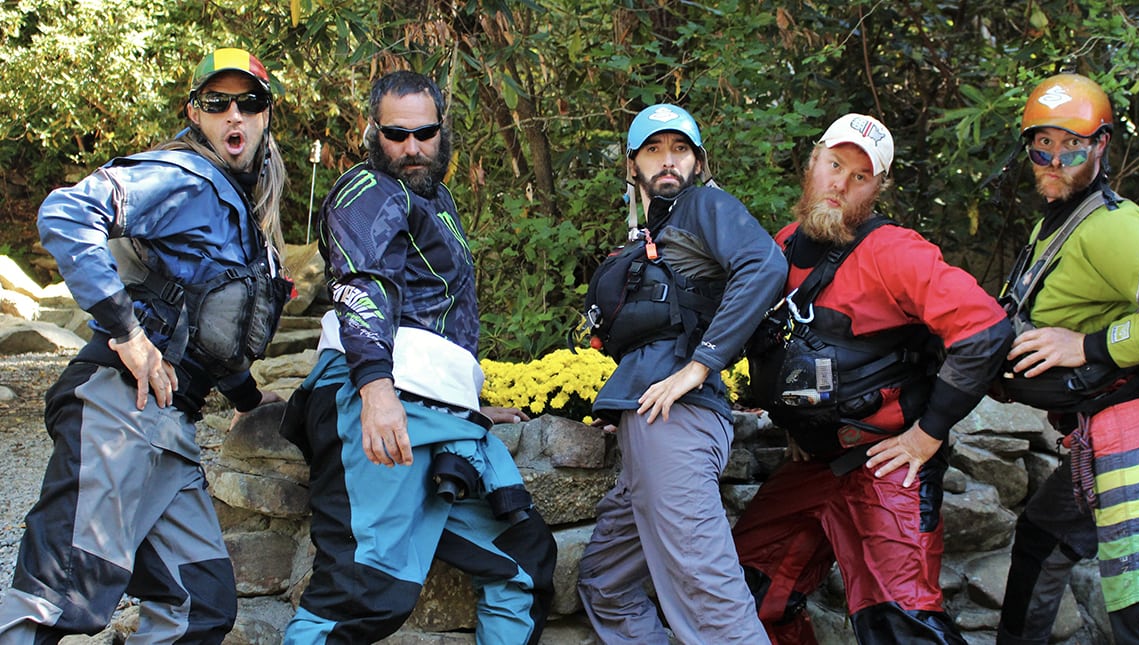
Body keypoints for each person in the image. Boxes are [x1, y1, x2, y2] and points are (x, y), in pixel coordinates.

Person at [0, 48, 290, 642]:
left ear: (266, 116)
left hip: (171, 434)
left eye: (249, 102)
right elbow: (67, 213)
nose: (234, 115)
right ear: (195, 112)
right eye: (217, 103)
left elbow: (214, 329)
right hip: (118, 411)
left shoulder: (245, 217)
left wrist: (247, 399)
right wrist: (126, 333)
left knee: (201, 605)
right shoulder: (182, 175)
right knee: (56, 598)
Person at [279, 70, 556, 645]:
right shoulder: (367, 189)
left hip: (440, 416)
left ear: (442, 131)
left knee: (522, 561)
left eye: (424, 133)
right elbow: (364, 286)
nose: (412, 148)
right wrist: (376, 391)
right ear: (371, 133)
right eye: (396, 134)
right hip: (377, 403)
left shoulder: (434, 197)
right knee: (360, 594)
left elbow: (434, 309)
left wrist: (468, 401)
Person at [731, 114, 1014, 644]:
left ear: (877, 187)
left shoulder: (894, 251)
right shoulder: (783, 245)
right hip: (814, 465)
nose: (840, 182)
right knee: (745, 595)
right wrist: (799, 424)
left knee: (900, 627)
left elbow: (986, 332)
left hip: (887, 463)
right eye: (835, 164)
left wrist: (927, 435)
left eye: (860, 176)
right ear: (812, 162)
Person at [993, 73, 1139, 645]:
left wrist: (1088, 346)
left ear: (1100, 145)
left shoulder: (1112, 226)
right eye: (1041, 145)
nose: (1053, 159)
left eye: (1070, 145)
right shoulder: (1061, 224)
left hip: (1131, 433)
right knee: (1041, 540)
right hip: (1093, 437)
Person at [575, 103, 786, 644]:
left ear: (697, 162)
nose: (668, 161)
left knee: (711, 602)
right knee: (605, 581)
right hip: (649, 425)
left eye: (680, 149)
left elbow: (765, 264)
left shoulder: (702, 206)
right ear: (633, 165)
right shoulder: (651, 232)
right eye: (654, 149)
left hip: (678, 423)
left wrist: (701, 364)